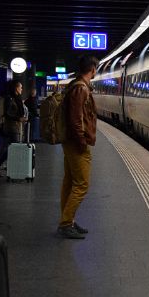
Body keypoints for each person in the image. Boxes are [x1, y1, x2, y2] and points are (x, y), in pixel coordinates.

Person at [58, 55, 99, 239]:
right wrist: (82, 141)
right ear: (92, 69)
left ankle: (69, 220)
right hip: (76, 143)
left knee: (69, 181)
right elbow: (76, 119)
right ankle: (66, 223)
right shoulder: (81, 89)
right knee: (82, 184)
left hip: (71, 141)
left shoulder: (76, 86)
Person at [0, 79, 27, 176]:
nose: (22, 89)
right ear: (16, 88)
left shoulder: (16, 98)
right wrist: (18, 118)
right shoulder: (9, 98)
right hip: (11, 127)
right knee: (13, 148)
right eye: (20, 87)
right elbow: (7, 114)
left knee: (8, 147)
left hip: (14, 126)